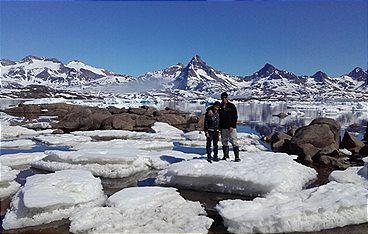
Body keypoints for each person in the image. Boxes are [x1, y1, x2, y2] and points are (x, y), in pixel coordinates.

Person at [219, 92, 240, 162]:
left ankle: (237, 157)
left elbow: (235, 117)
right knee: (224, 141)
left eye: (225, 97)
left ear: (227, 98)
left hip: (231, 127)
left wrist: (232, 126)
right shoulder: (220, 106)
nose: (224, 99)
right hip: (223, 127)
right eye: (222, 97)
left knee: (234, 141)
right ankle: (225, 156)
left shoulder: (231, 106)